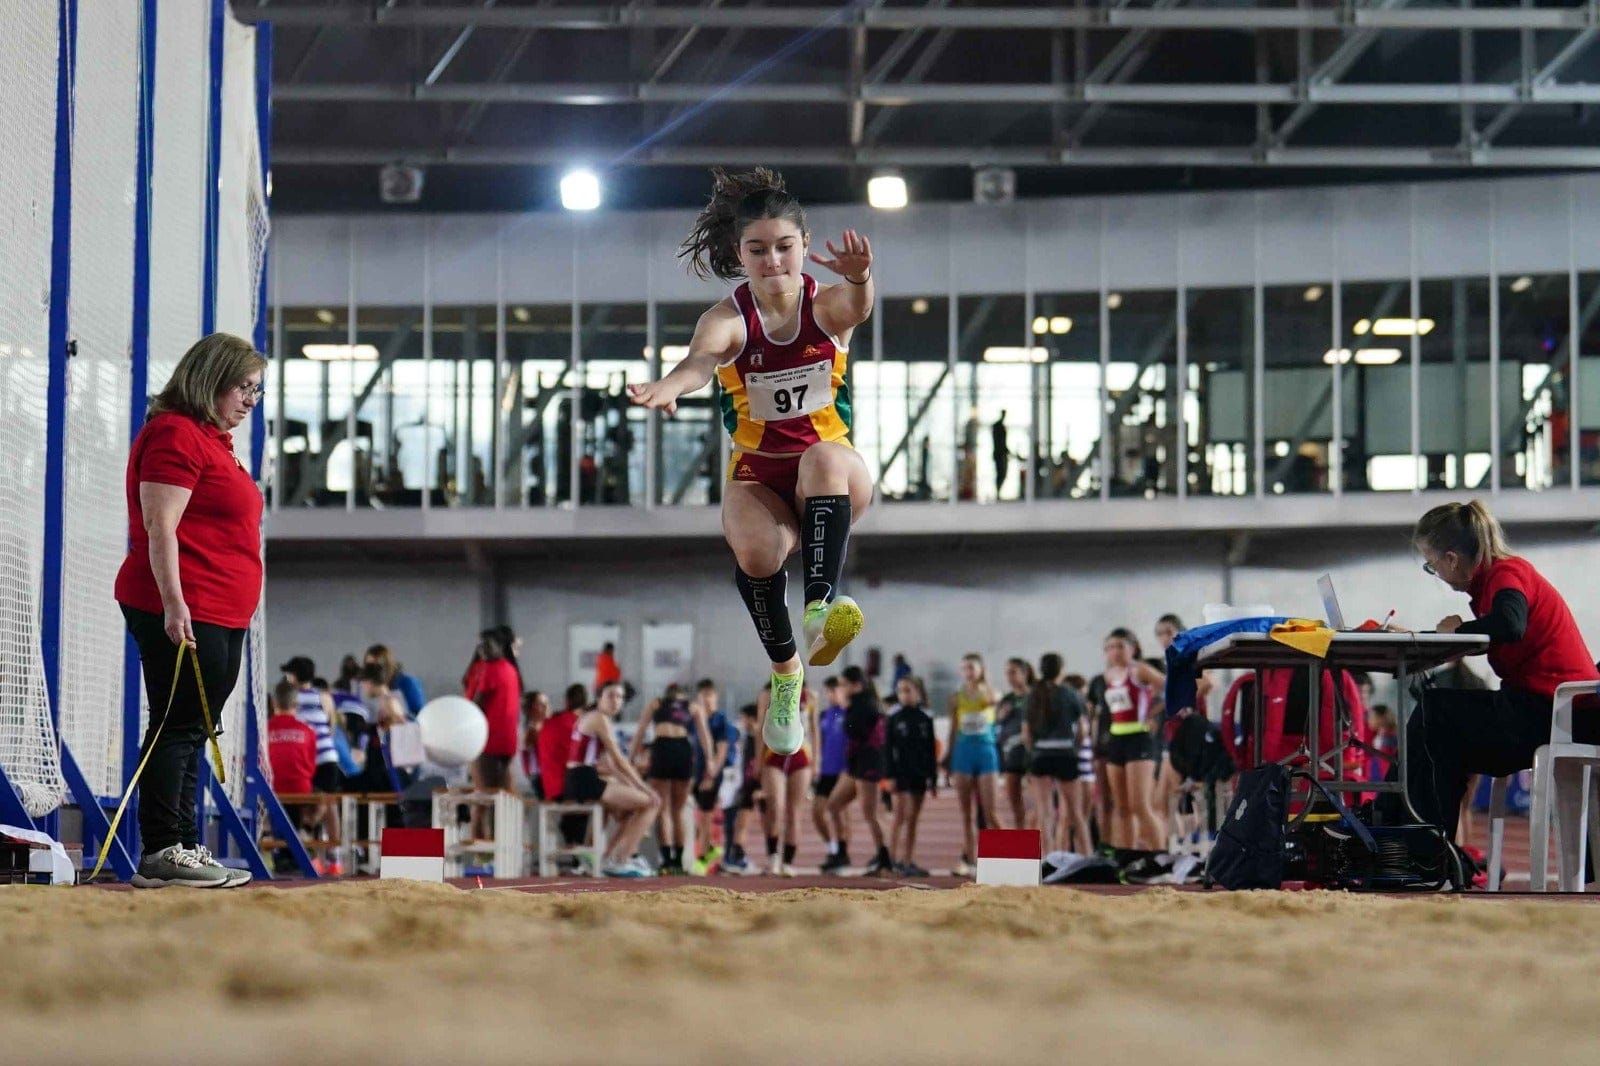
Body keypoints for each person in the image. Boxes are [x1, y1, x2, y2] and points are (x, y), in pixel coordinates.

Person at [627, 167, 876, 760]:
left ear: (805, 248)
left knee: (819, 456)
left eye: (785, 248)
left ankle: (821, 606)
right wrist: (670, 384)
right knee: (757, 551)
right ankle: (787, 674)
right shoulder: (727, 319)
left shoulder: (827, 306)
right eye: (758, 250)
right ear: (739, 255)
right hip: (759, 476)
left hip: (834, 474)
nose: (773, 262)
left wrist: (862, 276)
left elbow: (858, 308)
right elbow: (699, 362)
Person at [114, 332, 265, 888]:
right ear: (210, 381)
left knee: (193, 727)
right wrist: (175, 605)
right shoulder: (176, 435)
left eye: (257, 390)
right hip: (183, 606)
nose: (251, 400)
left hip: (223, 608)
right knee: (176, 726)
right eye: (243, 388)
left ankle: (183, 844)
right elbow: (161, 527)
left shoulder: (213, 440)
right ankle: (161, 850)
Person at [1384, 500, 1600, 842]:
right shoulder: (1492, 584)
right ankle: (1409, 845)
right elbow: (1489, 629)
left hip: (1562, 715)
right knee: (1439, 736)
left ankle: (1412, 846)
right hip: (1547, 712)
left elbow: (1510, 624)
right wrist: (1417, 639)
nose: (1435, 573)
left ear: (1451, 559)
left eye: (1432, 565)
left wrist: (1458, 632)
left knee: (1434, 713)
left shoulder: (1506, 573)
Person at [566, 681, 663, 877]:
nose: (615, 701)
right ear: (599, 697)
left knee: (626, 813)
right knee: (652, 804)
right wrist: (645, 789)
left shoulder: (597, 719)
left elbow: (610, 765)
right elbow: (619, 761)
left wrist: (633, 788)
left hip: (582, 778)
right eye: (610, 695)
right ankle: (620, 860)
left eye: (620, 697)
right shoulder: (598, 718)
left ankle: (609, 858)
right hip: (584, 779)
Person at [1090, 628, 1166, 852]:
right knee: (1121, 807)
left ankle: (1159, 857)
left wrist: (1155, 712)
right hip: (1116, 739)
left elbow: (1170, 688)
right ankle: (1127, 856)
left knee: (1140, 805)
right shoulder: (1107, 676)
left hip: (1140, 739)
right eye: (1110, 647)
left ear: (1133, 649)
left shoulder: (1140, 670)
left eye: (1120, 646)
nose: (1115, 652)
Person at [630, 684, 714, 875]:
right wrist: (709, 760)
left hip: (662, 749)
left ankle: (668, 860)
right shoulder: (692, 707)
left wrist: (631, 758)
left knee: (664, 810)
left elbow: (640, 731)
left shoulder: (657, 704)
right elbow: (704, 737)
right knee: (677, 810)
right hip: (681, 750)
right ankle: (677, 860)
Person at [826, 665, 893, 876]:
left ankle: (885, 860)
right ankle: (842, 852)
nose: (842, 688)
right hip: (855, 766)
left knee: (871, 813)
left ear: (857, 685)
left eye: (845, 685)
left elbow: (869, 737)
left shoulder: (867, 706)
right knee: (834, 804)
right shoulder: (857, 704)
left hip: (868, 766)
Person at [1025, 653, 1092, 855]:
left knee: (1044, 811)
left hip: (1041, 755)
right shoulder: (1070, 693)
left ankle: (1048, 857)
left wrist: (1034, 751)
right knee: (1076, 811)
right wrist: (1075, 747)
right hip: (1065, 753)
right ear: (1061, 669)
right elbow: (1083, 728)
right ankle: (1087, 854)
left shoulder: (1033, 695)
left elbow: (1026, 734)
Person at [755, 681, 820, 875]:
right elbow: (760, 728)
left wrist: (817, 761)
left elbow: (815, 731)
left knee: (795, 811)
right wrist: (758, 760)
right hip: (773, 756)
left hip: (801, 756)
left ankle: (788, 862)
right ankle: (773, 856)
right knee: (775, 806)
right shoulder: (767, 694)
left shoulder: (810, 696)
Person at [948, 653, 1003, 876]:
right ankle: (971, 859)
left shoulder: (990, 693)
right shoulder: (956, 697)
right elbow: (953, 728)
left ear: (981, 669)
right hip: (963, 753)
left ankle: (1006, 856)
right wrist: (949, 759)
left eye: (972, 667)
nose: (968, 672)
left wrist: (982, 685)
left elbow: (993, 699)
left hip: (986, 752)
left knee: (990, 812)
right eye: (964, 668)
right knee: (966, 813)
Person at [465, 628, 522, 838]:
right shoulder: (509, 669)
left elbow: (475, 705)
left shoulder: (488, 669)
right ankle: (501, 848)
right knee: (503, 798)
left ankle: (481, 851)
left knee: (483, 799)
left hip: (487, 740)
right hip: (505, 740)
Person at [886, 676, 937, 877]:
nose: (904, 695)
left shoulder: (925, 718)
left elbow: (931, 749)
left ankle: (907, 860)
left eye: (908, 690)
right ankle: (890, 859)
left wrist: (933, 778)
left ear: (918, 692)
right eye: (900, 691)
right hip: (900, 774)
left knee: (914, 819)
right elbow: (887, 749)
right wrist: (889, 775)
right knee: (900, 816)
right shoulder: (894, 718)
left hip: (920, 774)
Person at [689, 679, 737, 873]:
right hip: (696, 774)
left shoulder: (721, 720)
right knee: (698, 818)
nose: (707, 700)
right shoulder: (694, 721)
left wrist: (711, 776)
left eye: (710, 695)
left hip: (717, 774)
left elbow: (722, 750)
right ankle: (708, 850)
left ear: (715, 697)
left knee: (706, 815)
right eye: (703, 696)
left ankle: (702, 859)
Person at [813, 675, 853, 873]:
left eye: (835, 690)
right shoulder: (824, 716)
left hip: (844, 771)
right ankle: (833, 848)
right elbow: (818, 741)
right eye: (828, 691)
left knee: (840, 813)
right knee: (817, 812)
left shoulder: (850, 714)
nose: (831, 694)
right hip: (826, 771)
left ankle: (843, 853)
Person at [722, 702, 763, 874]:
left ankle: (736, 857)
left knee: (743, 822)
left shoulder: (759, 739)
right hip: (744, 785)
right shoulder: (746, 738)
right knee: (739, 822)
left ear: (752, 719)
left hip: (755, 784)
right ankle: (736, 858)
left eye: (743, 718)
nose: (741, 722)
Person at [996, 657, 1035, 829]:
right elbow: (997, 725)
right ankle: (1021, 844)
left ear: (1024, 673)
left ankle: (1039, 842)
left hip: (1033, 755)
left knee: (1038, 804)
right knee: (1014, 802)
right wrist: (1001, 717)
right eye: (1007, 673)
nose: (1009, 677)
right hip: (1011, 755)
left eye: (1013, 672)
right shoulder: (1006, 700)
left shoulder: (1034, 696)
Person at [537, 684, 587, 803]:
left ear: (566, 701)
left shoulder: (550, 722)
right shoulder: (579, 725)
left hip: (548, 787)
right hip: (566, 788)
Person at [266, 680, 317, 797]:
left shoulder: (264, 730)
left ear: (273, 703)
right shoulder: (308, 731)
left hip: (272, 789)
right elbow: (311, 766)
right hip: (301, 788)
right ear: (296, 703)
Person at [365, 643, 425, 718]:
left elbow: (421, 716)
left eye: (377, 667)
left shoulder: (407, 683)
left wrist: (397, 715)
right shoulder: (368, 686)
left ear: (387, 665)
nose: (373, 671)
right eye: (369, 668)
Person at [521, 690, 551, 798]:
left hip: (546, 774)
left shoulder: (545, 727)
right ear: (531, 708)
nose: (547, 707)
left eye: (547, 703)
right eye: (541, 704)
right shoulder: (531, 730)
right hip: (539, 775)